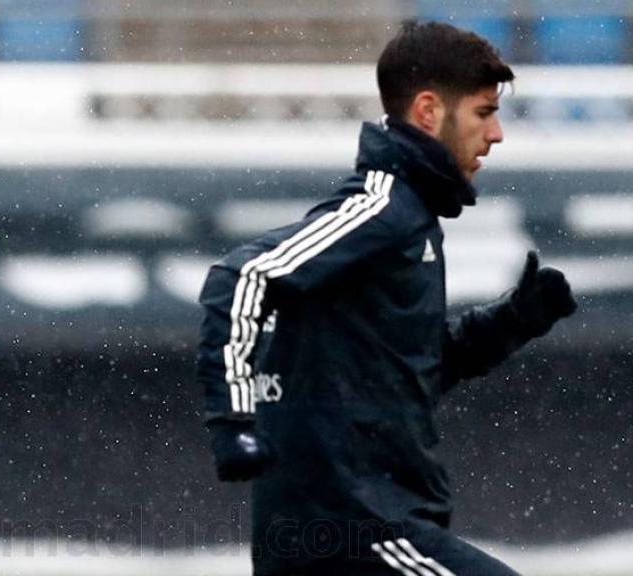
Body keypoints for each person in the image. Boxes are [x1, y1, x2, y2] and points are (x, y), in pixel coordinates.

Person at [196, 21, 576, 576]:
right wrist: (233, 420)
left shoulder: (411, 219)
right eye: (483, 112)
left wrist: (509, 323)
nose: (496, 135)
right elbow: (242, 276)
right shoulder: (381, 209)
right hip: (356, 528)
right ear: (428, 111)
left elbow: (398, 375)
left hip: (351, 529)